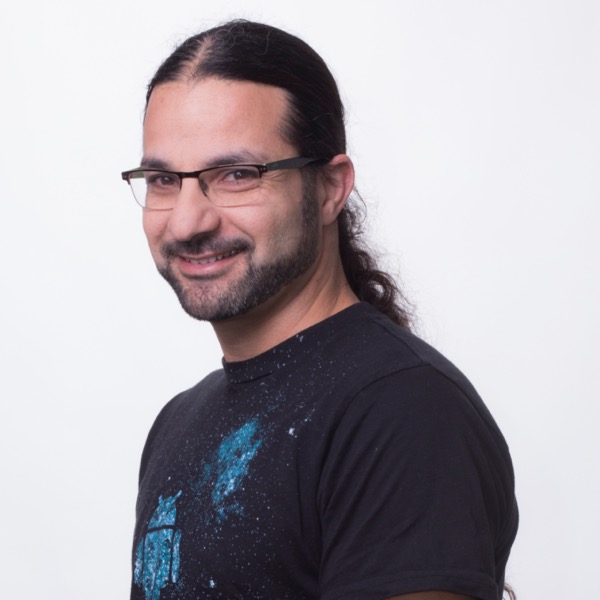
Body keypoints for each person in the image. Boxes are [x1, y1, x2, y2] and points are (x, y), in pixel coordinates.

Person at [122, 19, 518, 600]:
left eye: (237, 175)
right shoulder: (178, 421)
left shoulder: (404, 410)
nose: (186, 222)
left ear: (330, 187)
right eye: (163, 179)